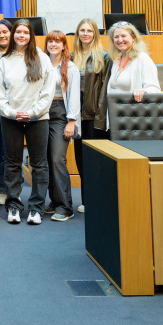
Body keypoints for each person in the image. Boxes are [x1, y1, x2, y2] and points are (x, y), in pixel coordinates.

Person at [0, 19, 55, 225]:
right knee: (12, 163)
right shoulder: (4, 61)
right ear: (13, 35)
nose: (21, 36)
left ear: (30, 35)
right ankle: (13, 205)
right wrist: (12, 112)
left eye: (25, 32)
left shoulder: (43, 58)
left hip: (38, 119)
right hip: (11, 119)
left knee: (39, 164)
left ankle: (36, 208)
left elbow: (48, 92)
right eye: (18, 32)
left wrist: (32, 112)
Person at [71, 18, 112, 213]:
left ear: (95, 33)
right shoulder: (72, 56)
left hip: (94, 115)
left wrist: (100, 117)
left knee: (95, 160)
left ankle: (99, 199)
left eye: (89, 30)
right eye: (82, 30)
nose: (86, 34)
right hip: (77, 114)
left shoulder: (104, 57)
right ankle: (87, 200)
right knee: (81, 159)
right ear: (78, 33)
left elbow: (104, 90)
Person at [44, 31, 80, 221]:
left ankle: (65, 207)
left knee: (58, 159)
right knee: (47, 160)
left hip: (61, 114)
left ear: (64, 45)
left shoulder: (71, 67)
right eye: (50, 41)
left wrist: (71, 121)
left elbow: (74, 95)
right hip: (42, 113)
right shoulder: (41, 63)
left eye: (58, 41)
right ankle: (54, 200)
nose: (53, 44)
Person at [107, 21, 161, 105]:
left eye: (123, 36)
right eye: (116, 37)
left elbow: (154, 89)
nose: (120, 40)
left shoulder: (142, 58)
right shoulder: (116, 61)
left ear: (133, 37)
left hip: (134, 113)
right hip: (116, 113)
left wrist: (143, 91)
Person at [0, 19, 12, 204]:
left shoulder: (20, 53)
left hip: (19, 106)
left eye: (5, 32)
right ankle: (0, 189)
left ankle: (14, 188)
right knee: (0, 148)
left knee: (13, 150)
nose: (2, 35)